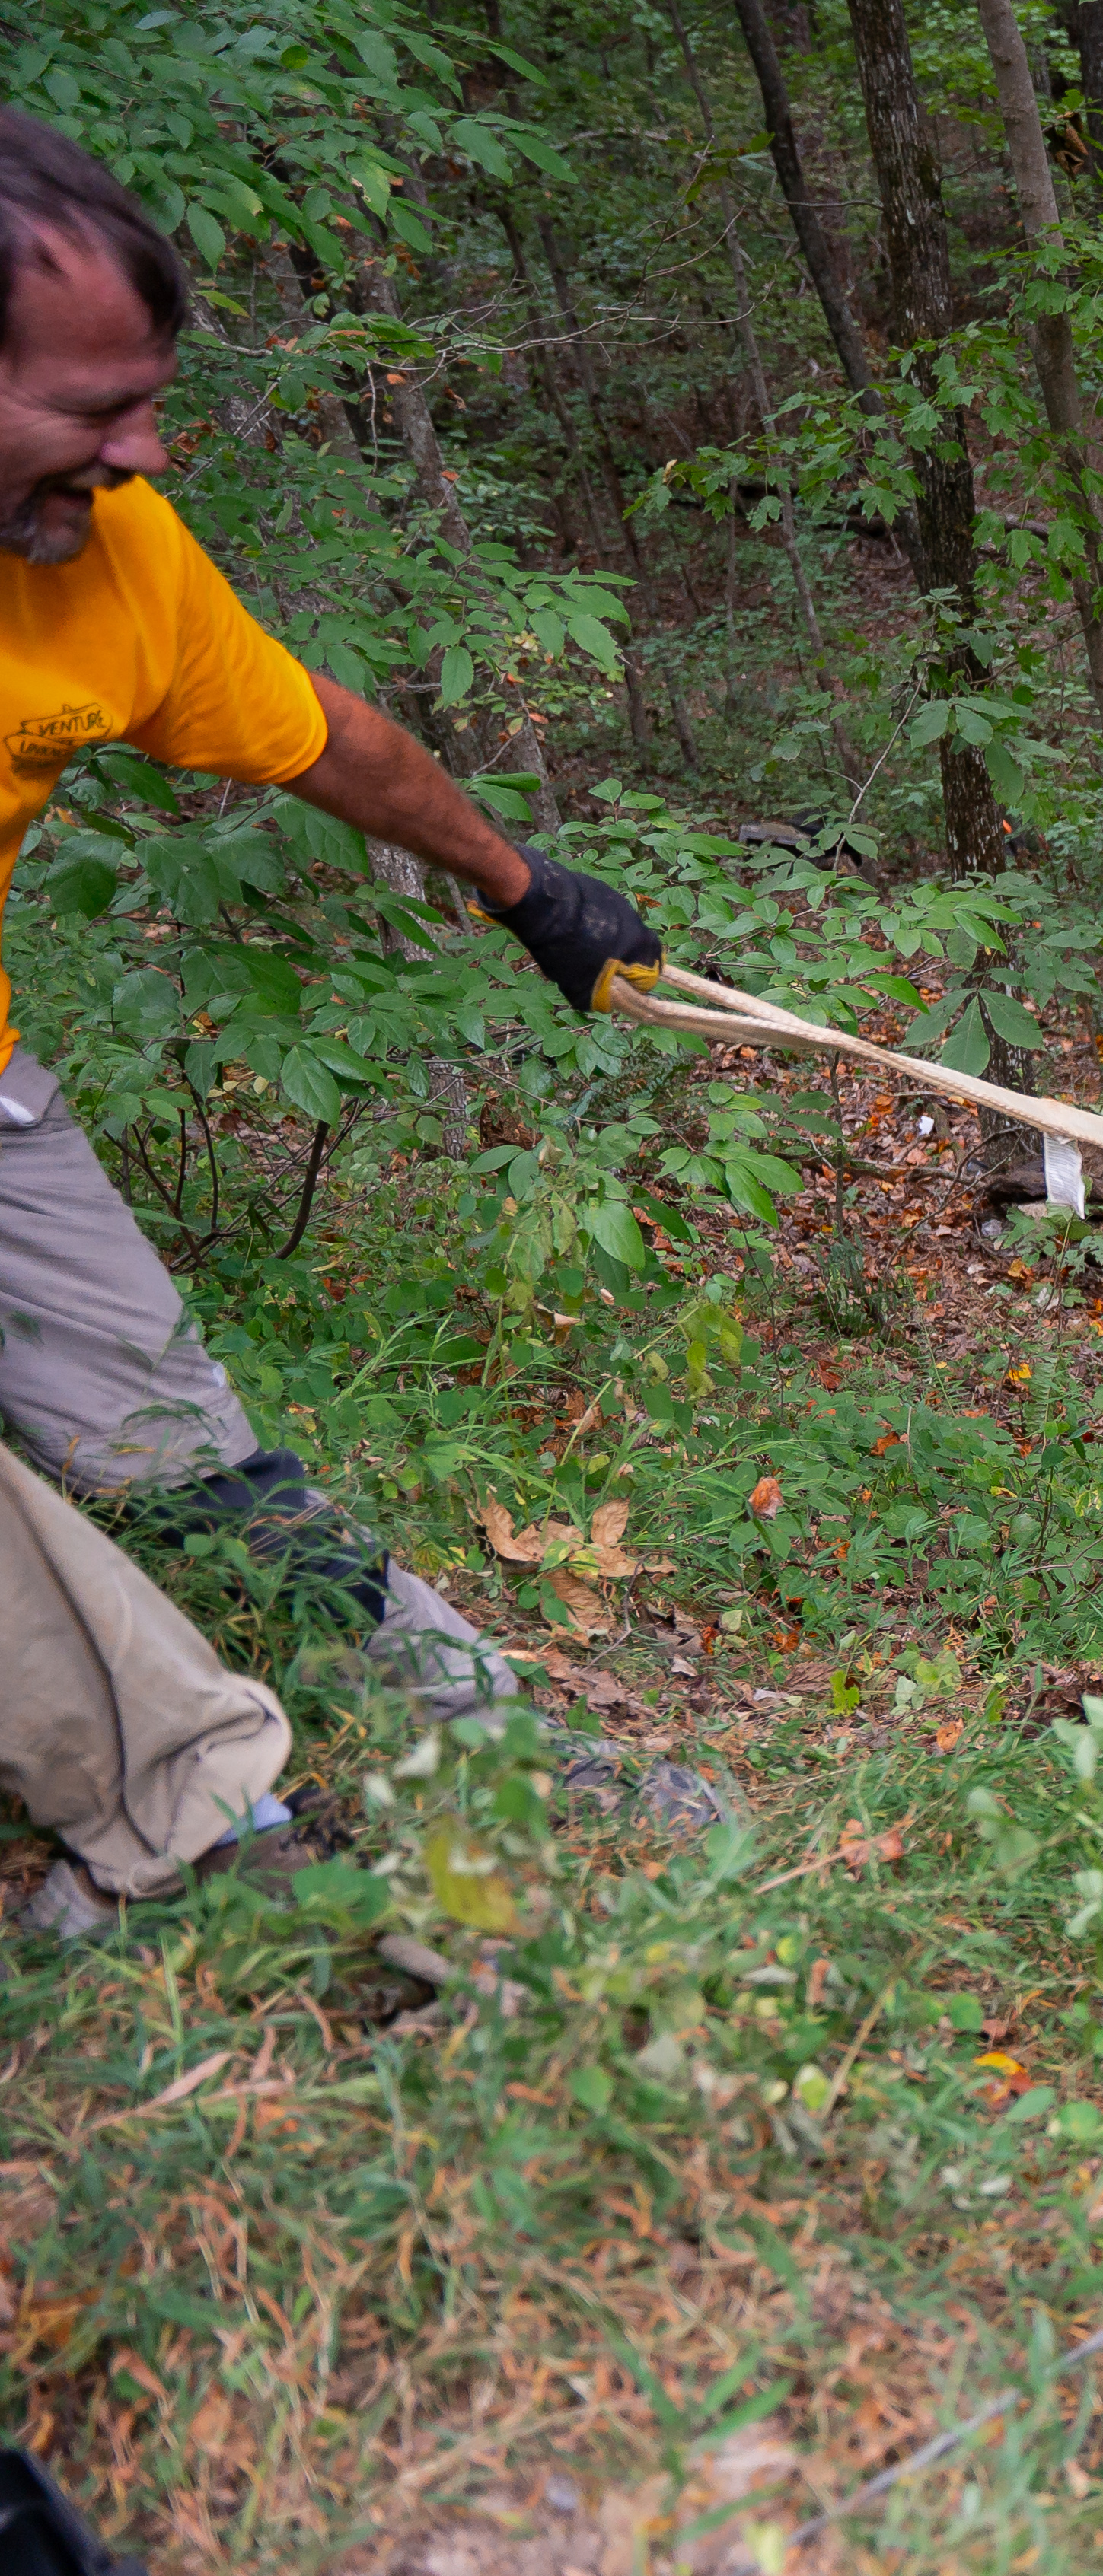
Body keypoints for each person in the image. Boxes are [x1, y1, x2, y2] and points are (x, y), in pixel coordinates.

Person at [0, 114, 686, 1935]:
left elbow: (321, 733)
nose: (141, 453)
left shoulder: (109, 554)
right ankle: (189, 1810)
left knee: (173, 1436)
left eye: (148, 399)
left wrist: (522, 887)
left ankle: (500, 1750)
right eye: (91, 407)